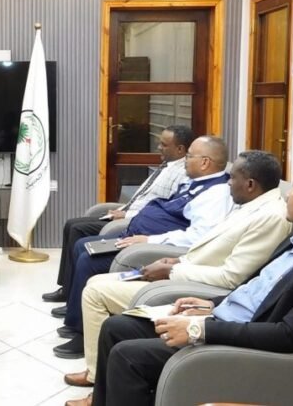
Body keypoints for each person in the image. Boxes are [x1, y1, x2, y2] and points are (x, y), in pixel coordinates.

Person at [71, 157, 293, 406]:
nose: (287, 195)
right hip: (221, 318)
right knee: (117, 327)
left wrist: (198, 329)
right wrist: (211, 304)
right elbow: (257, 290)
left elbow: (290, 335)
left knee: (129, 357)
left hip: (249, 347)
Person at [63, 150, 292, 388]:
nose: (228, 183)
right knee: (96, 281)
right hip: (185, 271)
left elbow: (231, 278)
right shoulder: (251, 205)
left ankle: (95, 377)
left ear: (250, 184)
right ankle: (99, 373)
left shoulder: (271, 217)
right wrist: (175, 261)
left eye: (232, 178)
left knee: (95, 294)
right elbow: (210, 249)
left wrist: (171, 271)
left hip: (197, 288)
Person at [53, 136, 233, 359]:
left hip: (154, 248)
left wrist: (149, 240)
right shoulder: (195, 182)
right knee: (84, 246)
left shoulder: (216, 195)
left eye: (189, 156)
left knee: (89, 260)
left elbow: (198, 238)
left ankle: (82, 334)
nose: (185, 160)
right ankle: (74, 314)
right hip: (140, 237)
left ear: (205, 162)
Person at [42, 125, 193, 303]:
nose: (159, 147)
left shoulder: (183, 174)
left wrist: (127, 215)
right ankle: (67, 287)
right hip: (128, 213)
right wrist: (123, 209)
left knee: (77, 229)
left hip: (134, 222)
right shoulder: (165, 166)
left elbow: (161, 210)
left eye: (164, 145)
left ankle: (71, 293)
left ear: (180, 149)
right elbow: (145, 197)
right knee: (71, 224)